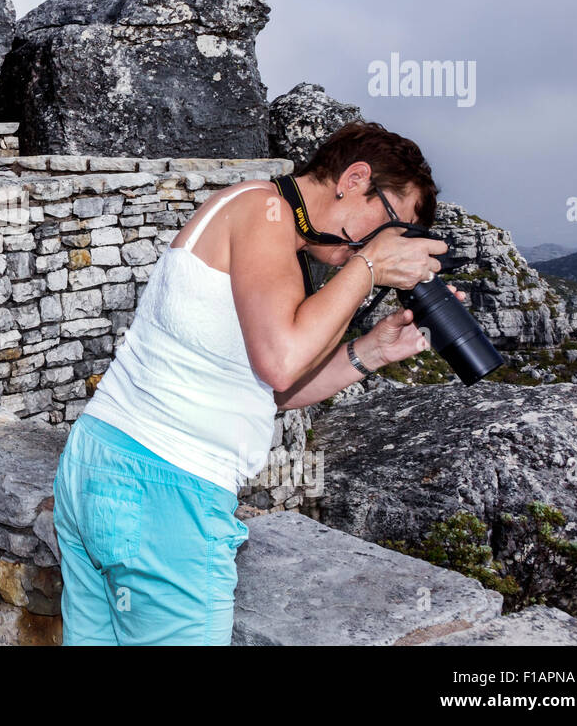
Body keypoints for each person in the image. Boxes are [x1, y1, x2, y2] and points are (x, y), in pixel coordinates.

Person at [52, 120, 469, 645]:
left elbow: (277, 389)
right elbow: (280, 361)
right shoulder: (264, 211)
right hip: (168, 490)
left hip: (100, 464)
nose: (387, 241)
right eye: (392, 223)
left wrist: (375, 350)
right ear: (354, 179)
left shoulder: (259, 222)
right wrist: (367, 266)